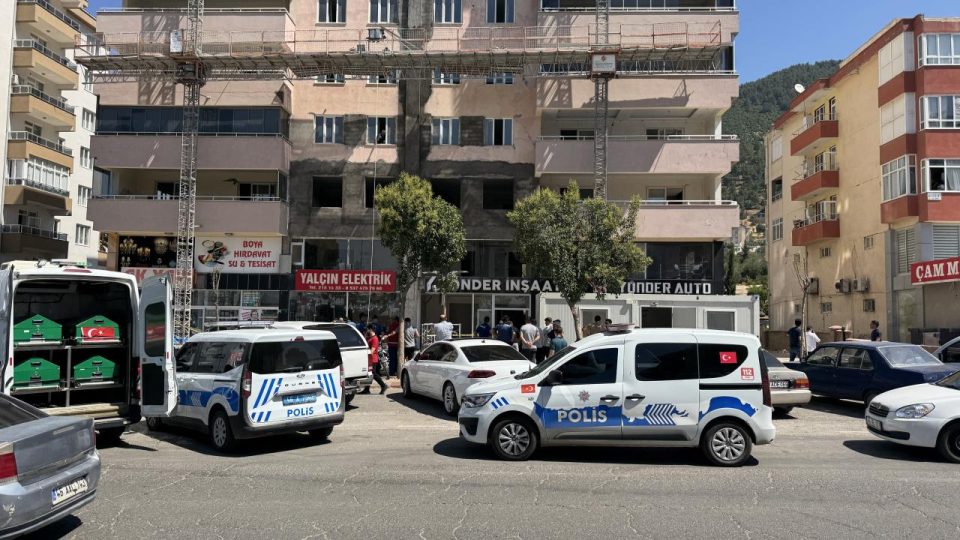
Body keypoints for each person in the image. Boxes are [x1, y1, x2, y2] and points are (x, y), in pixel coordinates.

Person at [363, 327, 387, 395]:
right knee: (369, 374)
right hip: (370, 358)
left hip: (373, 359)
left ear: (371, 330)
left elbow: (372, 350)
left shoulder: (375, 339)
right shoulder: (370, 337)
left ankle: (383, 385)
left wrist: (367, 356)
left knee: (373, 373)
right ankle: (367, 389)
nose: (367, 331)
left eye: (368, 329)